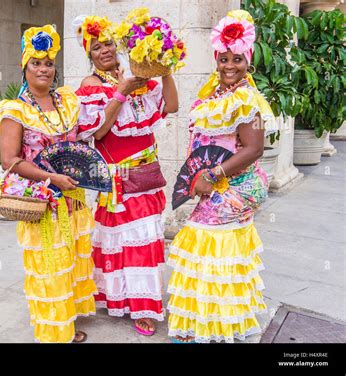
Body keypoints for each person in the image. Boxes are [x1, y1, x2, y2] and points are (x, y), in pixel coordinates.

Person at [167, 10, 276, 343]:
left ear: (249, 60)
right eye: (224, 58)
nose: (230, 65)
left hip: (238, 185)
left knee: (203, 240)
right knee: (219, 248)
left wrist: (211, 175)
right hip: (222, 182)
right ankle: (217, 322)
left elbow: (254, 149)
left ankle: (212, 326)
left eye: (238, 59)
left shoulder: (248, 100)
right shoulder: (216, 94)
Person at [72, 15, 179, 336]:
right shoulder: (89, 88)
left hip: (146, 176)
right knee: (122, 243)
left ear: (118, 47)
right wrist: (119, 93)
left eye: (108, 44)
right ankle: (131, 304)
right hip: (118, 181)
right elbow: (98, 131)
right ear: (88, 53)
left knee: (142, 242)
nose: (104, 50)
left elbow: (171, 106)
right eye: (96, 46)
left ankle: (142, 303)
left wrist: (166, 68)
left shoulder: (139, 78)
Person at [0, 25, 97, 343]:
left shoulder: (66, 101)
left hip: (73, 197)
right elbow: (10, 160)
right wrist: (51, 178)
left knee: (70, 260)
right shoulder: (16, 111)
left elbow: (84, 137)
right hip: (43, 202)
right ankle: (54, 333)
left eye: (48, 62)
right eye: (35, 62)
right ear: (24, 68)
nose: (43, 69)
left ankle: (65, 320)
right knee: (49, 265)